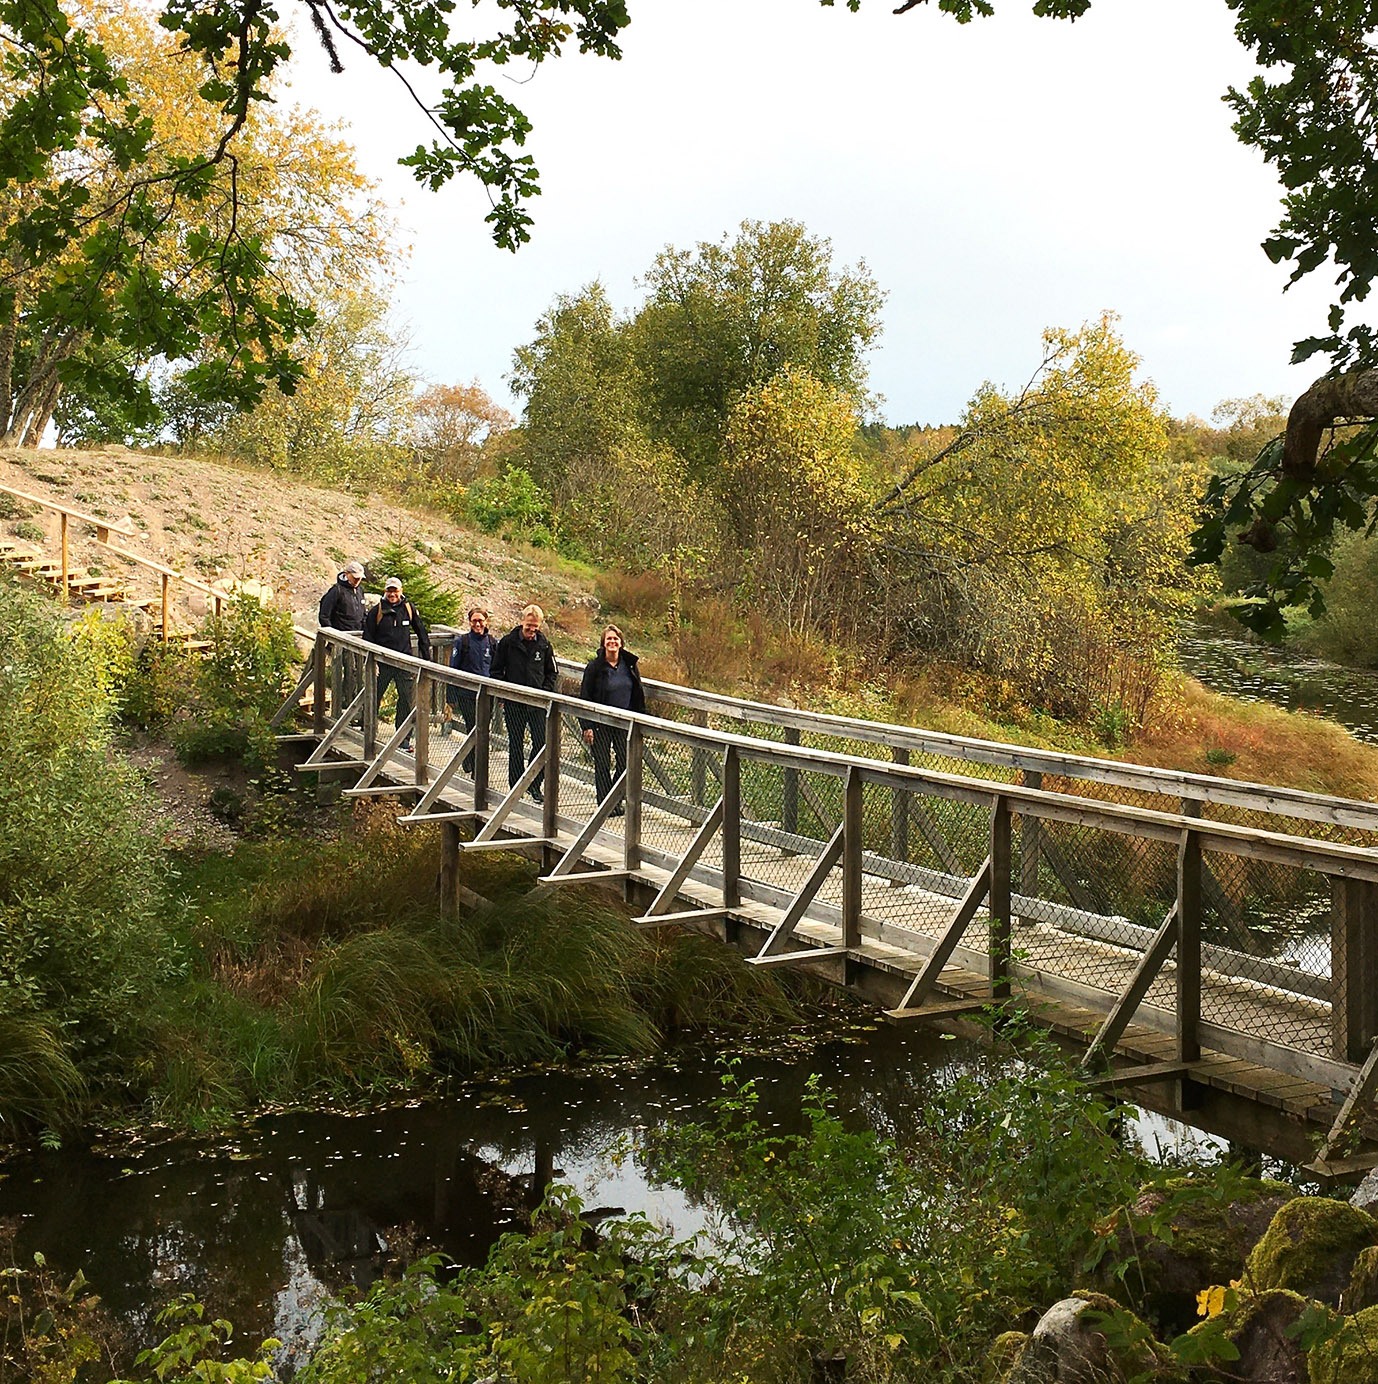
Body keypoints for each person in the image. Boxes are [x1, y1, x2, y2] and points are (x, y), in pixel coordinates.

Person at [491, 603, 557, 801]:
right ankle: (516, 786)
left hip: (537, 704)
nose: (531, 630)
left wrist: (545, 693)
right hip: (514, 702)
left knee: (542, 743)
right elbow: (495, 671)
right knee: (516, 744)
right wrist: (504, 694)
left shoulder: (544, 645)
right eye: (529, 626)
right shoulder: (507, 643)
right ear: (522, 622)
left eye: (535, 627)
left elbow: (552, 672)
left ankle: (534, 784)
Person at [578, 624, 646, 816]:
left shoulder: (629, 666)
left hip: (625, 722)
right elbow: (585, 697)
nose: (612, 642)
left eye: (615, 639)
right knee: (602, 763)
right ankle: (605, 806)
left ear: (621, 643)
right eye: (609, 639)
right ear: (603, 643)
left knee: (626, 763)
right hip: (600, 722)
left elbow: (637, 693)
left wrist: (641, 719)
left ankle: (614, 798)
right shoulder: (594, 668)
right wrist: (587, 726)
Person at [363, 576, 430, 743]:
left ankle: (403, 737)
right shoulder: (376, 611)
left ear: (401, 591)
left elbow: (421, 631)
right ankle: (368, 732)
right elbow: (368, 637)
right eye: (389, 591)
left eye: (395, 591)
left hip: (404, 662)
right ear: (385, 592)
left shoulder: (408, 608)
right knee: (374, 696)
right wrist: (372, 662)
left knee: (406, 699)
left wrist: (426, 658)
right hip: (383, 662)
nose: (392, 594)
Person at [445, 606, 496, 773]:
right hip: (467, 693)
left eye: (481, 620)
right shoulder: (462, 641)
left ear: (486, 621)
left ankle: (470, 761)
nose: (478, 624)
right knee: (473, 727)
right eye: (474, 621)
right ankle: (476, 766)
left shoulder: (492, 642)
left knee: (483, 729)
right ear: (470, 622)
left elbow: (497, 668)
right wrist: (450, 697)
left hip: (487, 694)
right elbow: (453, 668)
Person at [318, 560, 366, 631]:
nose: (357, 580)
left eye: (359, 578)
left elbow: (363, 613)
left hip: (357, 634)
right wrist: (332, 633)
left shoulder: (360, 590)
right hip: (340, 634)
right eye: (355, 578)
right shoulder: (336, 590)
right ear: (347, 574)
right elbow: (324, 615)